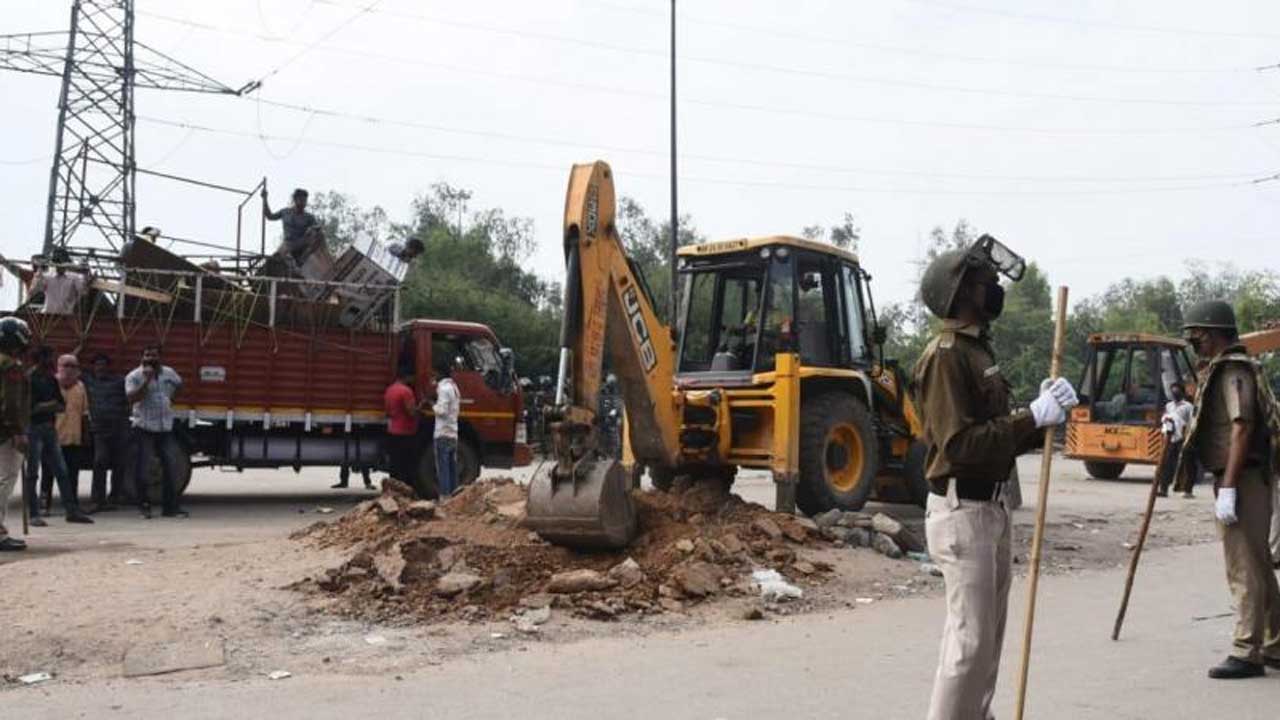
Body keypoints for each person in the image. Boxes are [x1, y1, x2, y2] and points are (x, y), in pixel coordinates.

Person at [913, 236, 1078, 719]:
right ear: (962, 291)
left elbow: (997, 435)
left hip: (990, 507)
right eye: (986, 280)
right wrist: (1032, 416)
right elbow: (960, 445)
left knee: (986, 644)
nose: (995, 288)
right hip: (962, 510)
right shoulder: (947, 355)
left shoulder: (976, 352)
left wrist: (1040, 417)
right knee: (968, 646)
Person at [1174, 300, 1280, 679]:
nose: (1193, 344)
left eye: (1197, 336)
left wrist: (1230, 486)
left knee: (1243, 567)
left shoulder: (1233, 370)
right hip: (1244, 477)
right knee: (1259, 563)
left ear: (1216, 334)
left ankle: (1246, 649)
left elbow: (1241, 426)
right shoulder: (1229, 369)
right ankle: (1273, 642)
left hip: (1242, 478)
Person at [24, 346, 92, 525]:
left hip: (49, 428)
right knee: (32, 473)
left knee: (61, 471)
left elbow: (60, 406)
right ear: (41, 359)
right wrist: (48, 405)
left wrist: (44, 406)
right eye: (51, 358)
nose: (53, 362)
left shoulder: (50, 379)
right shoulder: (29, 378)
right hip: (33, 429)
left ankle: (71, 511)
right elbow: (29, 408)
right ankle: (33, 514)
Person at [125, 346, 187, 519]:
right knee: (144, 468)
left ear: (160, 357)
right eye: (146, 354)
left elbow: (180, 385)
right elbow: (131, 398)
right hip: (144, 427)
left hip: (165, 427)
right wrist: (147, 380)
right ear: (142, 356)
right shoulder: (134, 376)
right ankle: (144, 506)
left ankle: (170, 508)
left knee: (170, 466)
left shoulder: (169, 373)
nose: (149, 358)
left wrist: (171, 398)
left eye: (153, 355)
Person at [0, 318, 32, 551]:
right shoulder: (11, 365)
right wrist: (18, 431)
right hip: (5, 432)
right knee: (5, 479)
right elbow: (12, 403)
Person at [83, 352, 129, 511]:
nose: (100, 367)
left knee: (119, 464)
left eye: (103, 364)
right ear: (93, 367)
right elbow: (67, 368)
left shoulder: (120, 381)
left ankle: (114, 498)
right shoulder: (88, 381)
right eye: (97, 364)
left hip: (119, 428)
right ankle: (97, 500)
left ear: (108, 367)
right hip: (100, 430)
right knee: (100, 461)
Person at [53, 353, 88, 512]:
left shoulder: (80, 387)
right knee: (48, 473)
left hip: (74, 438)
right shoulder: (51, 384)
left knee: (72, 473)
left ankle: (72, 505)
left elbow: (84, 413)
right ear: (58, 367)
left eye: (73, 366)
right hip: (53, 438)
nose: (68, 369)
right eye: (65, 365)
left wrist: (86, 435)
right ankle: (43, 503)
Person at [381, 366, 420, 494]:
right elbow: (411, 412)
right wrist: (420, 408)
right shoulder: (406, 391)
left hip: (392, 431)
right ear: (407, 377)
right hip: (405, 432)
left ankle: (393, 490)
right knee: (406, 464)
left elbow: (387, 412)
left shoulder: (389, 390)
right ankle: (405, 491)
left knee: (395, 464)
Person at [262, 187, 321, 262]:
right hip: (288, 244)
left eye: (305, 201)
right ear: (295, 200)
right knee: (279, 257)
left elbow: (317, 227)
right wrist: (265, 199)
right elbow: (270, 216)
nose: (304, 203)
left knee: (319, 235)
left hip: (301, 245)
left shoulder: (309, 217)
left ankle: (302, 260)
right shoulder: (285, 212)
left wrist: (313, 229)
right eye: (301, 200)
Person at [1158, 383, 1195, 498]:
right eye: (1173, 391)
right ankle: (1163, 489)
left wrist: (1188, 435)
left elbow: (1192, 422)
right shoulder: (1169, 406)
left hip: (1184, 438)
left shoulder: (1188, 406)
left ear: (1182, 392)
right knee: (1167, 463)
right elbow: (1165, 418)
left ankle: (1188, 490)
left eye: (1177, 390)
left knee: (1187, 463)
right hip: (1171, 437)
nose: (1175, 393)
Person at [28, 247, 90, 315]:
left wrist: (85, 274)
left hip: (65, 317)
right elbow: (33, 291)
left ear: (66, 263)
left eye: (60, 262)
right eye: (56, 263)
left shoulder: (74, 277)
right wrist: (39, 270)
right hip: (47, 315)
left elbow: (84, 291)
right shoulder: (47, 276)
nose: (58, 266)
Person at [432, 359, 462, 497]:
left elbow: (442, 411)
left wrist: (432, 405)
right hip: (453, 433)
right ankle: (454, 497)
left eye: (434, 374)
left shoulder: (444, 389)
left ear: (439, 373)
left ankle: (444, 498)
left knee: (442, 470)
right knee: (452, 469)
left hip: (442, 433)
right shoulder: (455, 388)